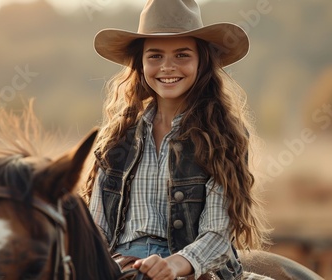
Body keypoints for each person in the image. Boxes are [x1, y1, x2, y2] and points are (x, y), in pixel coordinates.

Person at [85, 0, 271, 279]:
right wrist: (109, 263)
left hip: (194, 268)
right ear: (141, 63)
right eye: (155, 56)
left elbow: (217, 234)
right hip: (120, 265)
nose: (168, 67)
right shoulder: (116, 138)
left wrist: (173, 264)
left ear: (202, 61)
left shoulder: (222, 136)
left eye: (182, 55)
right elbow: (96, 228)